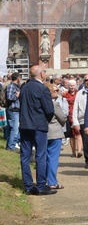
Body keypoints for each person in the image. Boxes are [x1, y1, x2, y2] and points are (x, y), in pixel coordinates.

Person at [19, 66, 57, 196]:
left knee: (25, 156)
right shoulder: (42, 89)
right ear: (41, 74)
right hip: (38, 125)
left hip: (25, 125)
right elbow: (49, 109)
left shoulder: (24, 88)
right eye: (44, 72)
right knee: (41, 155)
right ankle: (41, 185)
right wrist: (46, 119)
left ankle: (28, 186)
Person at [46, 82, 68, 190]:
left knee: (44, 159)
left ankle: (44, 181)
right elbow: (63, 118)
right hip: (54, 133)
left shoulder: (39, 104)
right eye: (55, 90)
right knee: (53, 159)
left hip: (42, 133)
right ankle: (52, 182)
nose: (57, 92)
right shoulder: (54, 104)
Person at [4, 72, 21, 152]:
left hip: (16, 110)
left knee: (14, 128)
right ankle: (11, 146)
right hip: (13, 110)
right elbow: (9, 97)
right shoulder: (11, 86)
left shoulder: (16, 86)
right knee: (14, 128)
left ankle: (10, 145)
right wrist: (17, 96)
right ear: (17, 78)